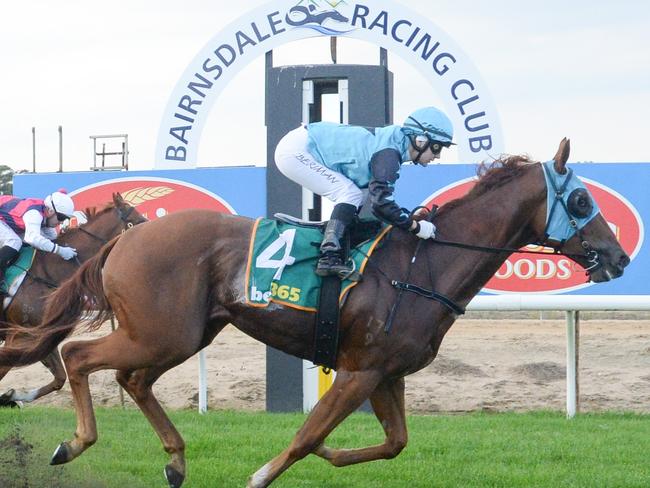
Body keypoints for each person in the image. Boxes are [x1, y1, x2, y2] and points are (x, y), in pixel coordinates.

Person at [274, 106, 454, 277]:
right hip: (297, 151)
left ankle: (337, 245)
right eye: (437, 147)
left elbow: (379, 205)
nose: (437, 156)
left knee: (357, 195)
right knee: (349, 193)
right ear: (420, 140)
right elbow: (382, 205)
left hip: (302, 144)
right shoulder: (389, 154)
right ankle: (328, 256)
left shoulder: (394, 146)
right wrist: (415, 227)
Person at [0, 190, 78, 289]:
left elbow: (52, 240)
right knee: (15, 241)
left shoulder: (46, 217)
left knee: (40, 240)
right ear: (50, 211)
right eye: (61, 217)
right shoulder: (34, 214)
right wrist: (60, 250)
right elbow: (32, 238)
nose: (61, 222)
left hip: (6, 221)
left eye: (65, 219)